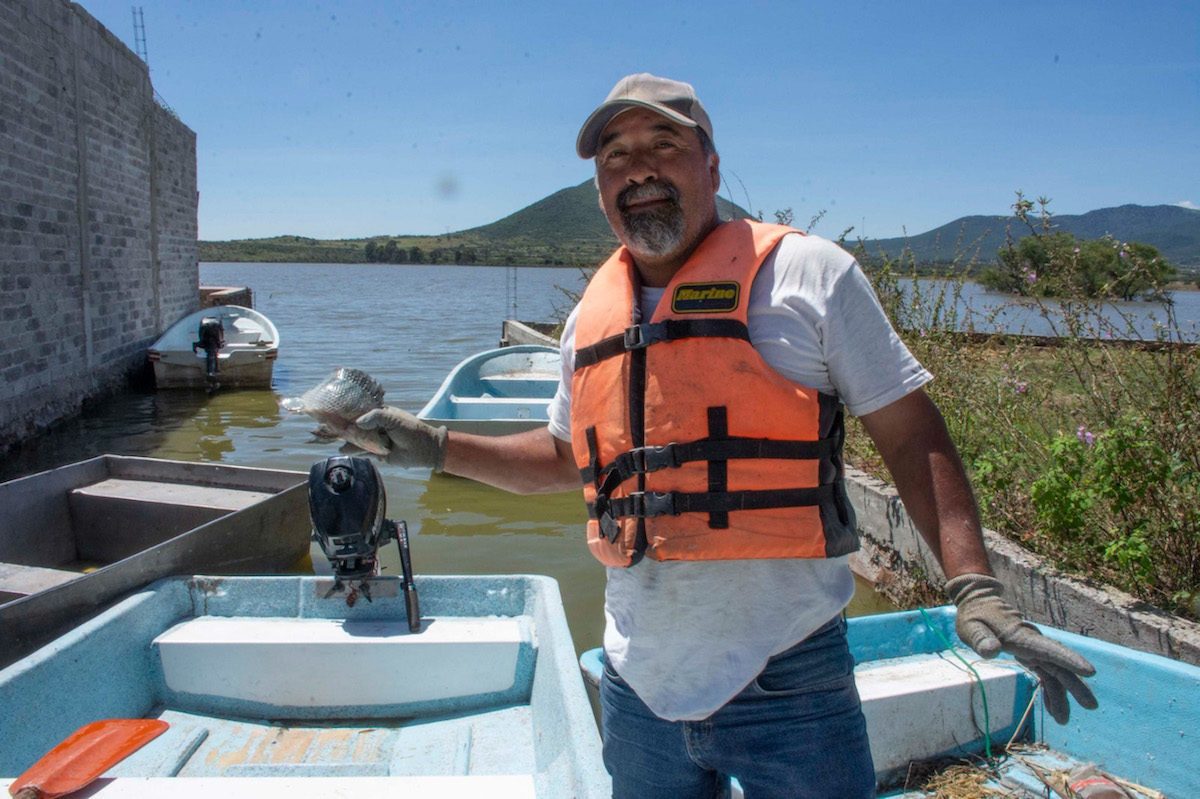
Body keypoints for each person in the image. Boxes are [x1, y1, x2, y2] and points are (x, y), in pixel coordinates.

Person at [351, 73, 1098, 798]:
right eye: (615, 155)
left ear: (712, 164)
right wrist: (431, 444)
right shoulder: (589, 319)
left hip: (790, 678)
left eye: (663, 143)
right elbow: (565, 460)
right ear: (600, 190)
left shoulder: (810, 275)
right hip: (638, 682)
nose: (637, 168)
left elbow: (911, 434)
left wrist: (974, 585)